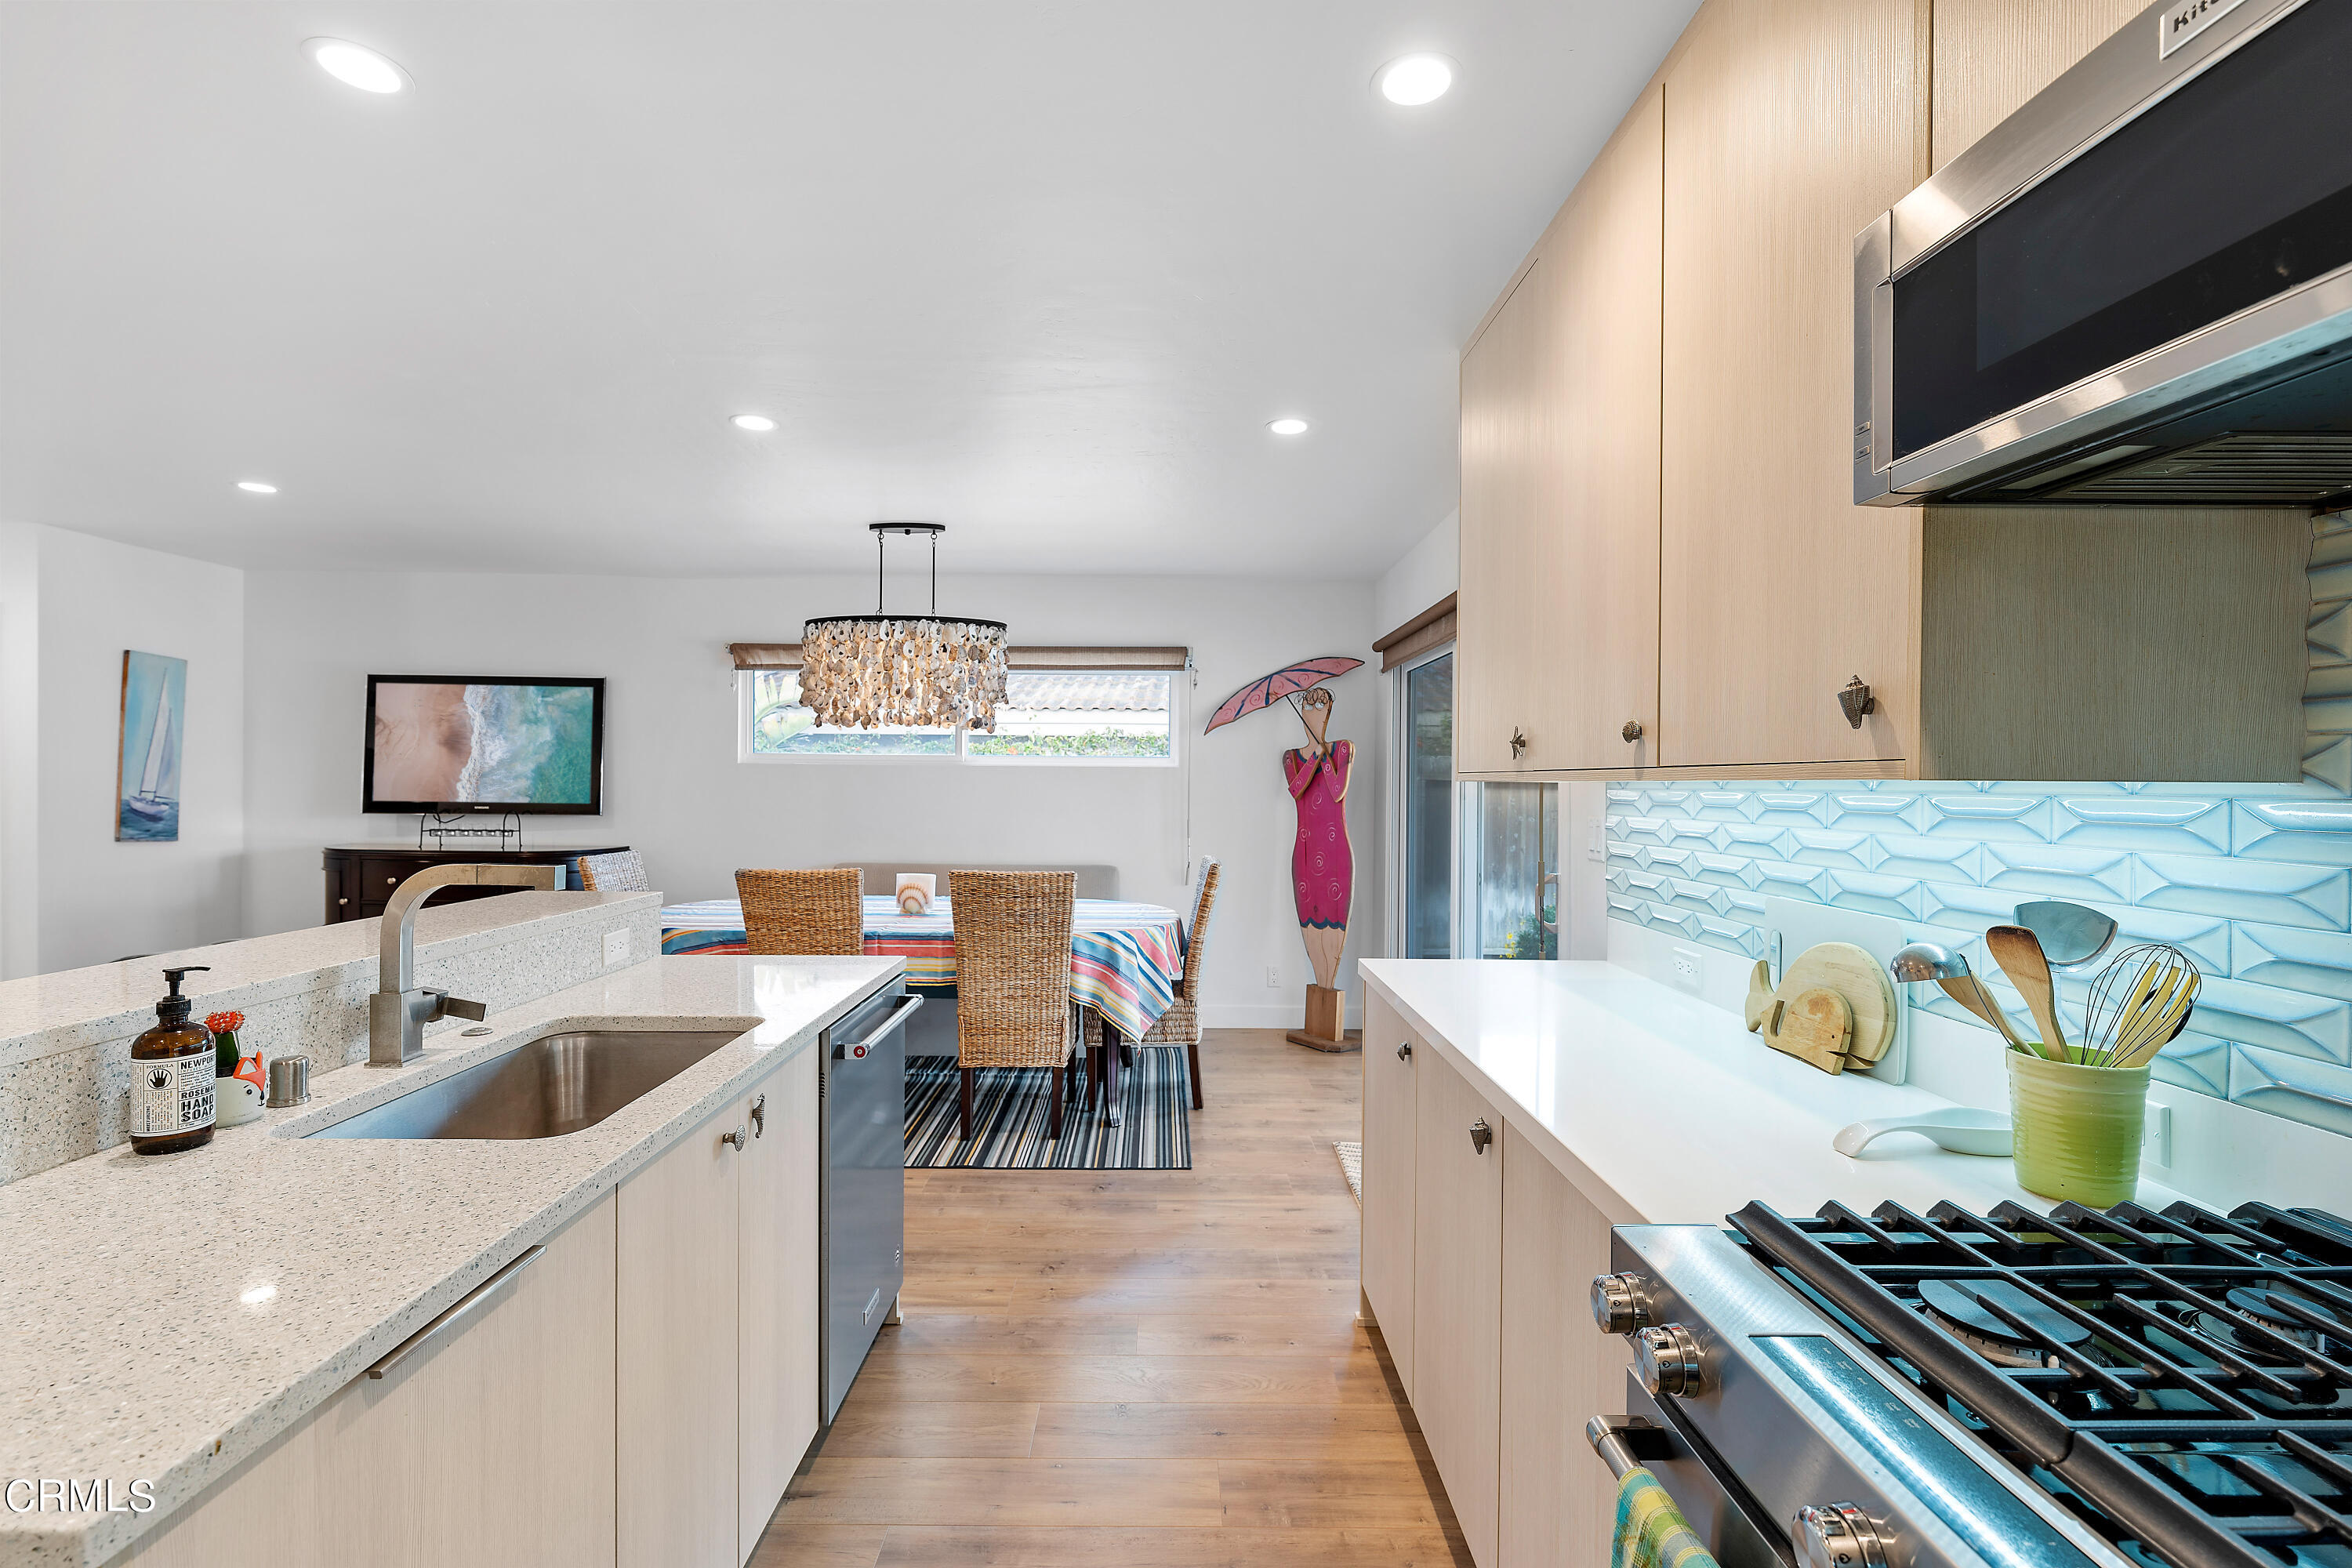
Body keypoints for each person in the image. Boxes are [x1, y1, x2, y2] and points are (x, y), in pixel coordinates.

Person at [1282, 687, 1354, 993]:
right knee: (1309, 921)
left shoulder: (1342, 750)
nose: (1313, 714)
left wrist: (1325, 759)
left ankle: (1329, 987)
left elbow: (1338, 791)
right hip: (1306, 851)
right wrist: (1314, 759)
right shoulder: (1291, 758)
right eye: (1308, 708)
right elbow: (1296, 790)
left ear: (1328, 713)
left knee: (1334, 920)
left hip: (1336, 850)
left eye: (1320, 708)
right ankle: (1320, 987)